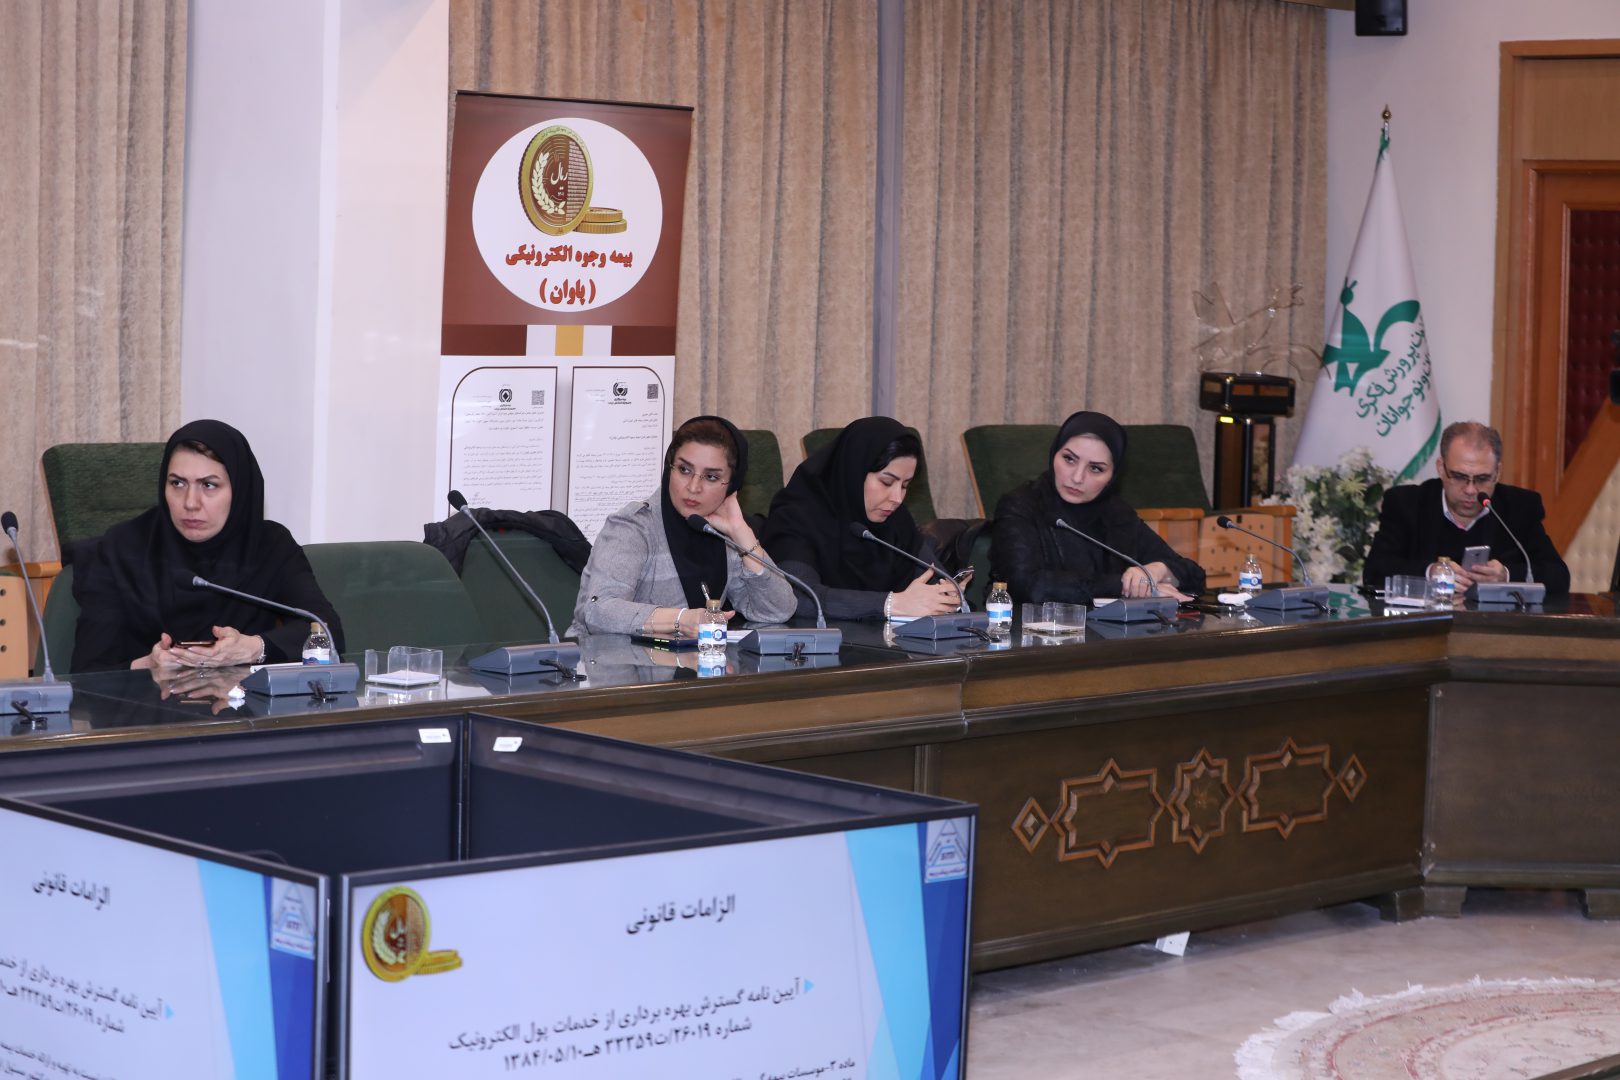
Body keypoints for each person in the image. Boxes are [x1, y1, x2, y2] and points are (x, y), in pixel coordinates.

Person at [72, 419, 345, 672]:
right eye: (177, 483)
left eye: (209, 485)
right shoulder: (122, 548)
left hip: (245, 704)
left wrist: (252, 648)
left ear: (239, 490)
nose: (190, 502)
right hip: (142, 704)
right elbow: (86, 670)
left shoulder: (269, 545)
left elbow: (326, 630)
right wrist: (148, 665)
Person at [569, 416, 796, 637]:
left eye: (711, 477)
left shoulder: (722, 535)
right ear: (670, 467)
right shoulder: (634, 527)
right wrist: (680, 619)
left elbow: (777, 610)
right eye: (684, 470)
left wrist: (741, 532)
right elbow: (598, 611)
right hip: (610, 659)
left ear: (731, 485)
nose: (693, 487)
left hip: (693, 660)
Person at [990, 410, 1205, 605]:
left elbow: (1195, 576)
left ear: (1113, 476)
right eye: (1069, 459)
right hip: (1030, 631)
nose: (1077, 477)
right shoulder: (1020, 505)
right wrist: (1125, 585)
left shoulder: (1117, 513)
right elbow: (1026, 585)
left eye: (1095, 468)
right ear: (1054, 453)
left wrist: (1159, 570)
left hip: (1110, 633)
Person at [760, 416, 962, 620]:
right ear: (854, 471)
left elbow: (936, 576)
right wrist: (891, 604)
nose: (897, 498)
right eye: (886, 482)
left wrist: (948, 594)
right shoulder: (796, 515)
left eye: (904, 485)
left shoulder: (896, 520)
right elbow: (798, 598)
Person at [1362, 420, 1570, 595]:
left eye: (1482, 479)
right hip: (1424, 627)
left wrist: (1506, 575)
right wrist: (1430, 572)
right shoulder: (1407, 503)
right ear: (1441, 468)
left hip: (1495, 628)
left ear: (1497, 473)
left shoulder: (1520, 507)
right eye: (1459, 477)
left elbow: (1559, 577)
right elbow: (1374, 571)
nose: (1471, 490)